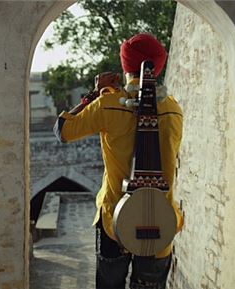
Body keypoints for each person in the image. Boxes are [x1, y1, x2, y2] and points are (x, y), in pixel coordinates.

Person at [53, 33, 184, 289]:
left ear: (126, 67)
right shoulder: (173, 109)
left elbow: (62, 131)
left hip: (115, 219)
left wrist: (92, 95)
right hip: (160, 221)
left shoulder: (109, 103)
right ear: (158, 66)